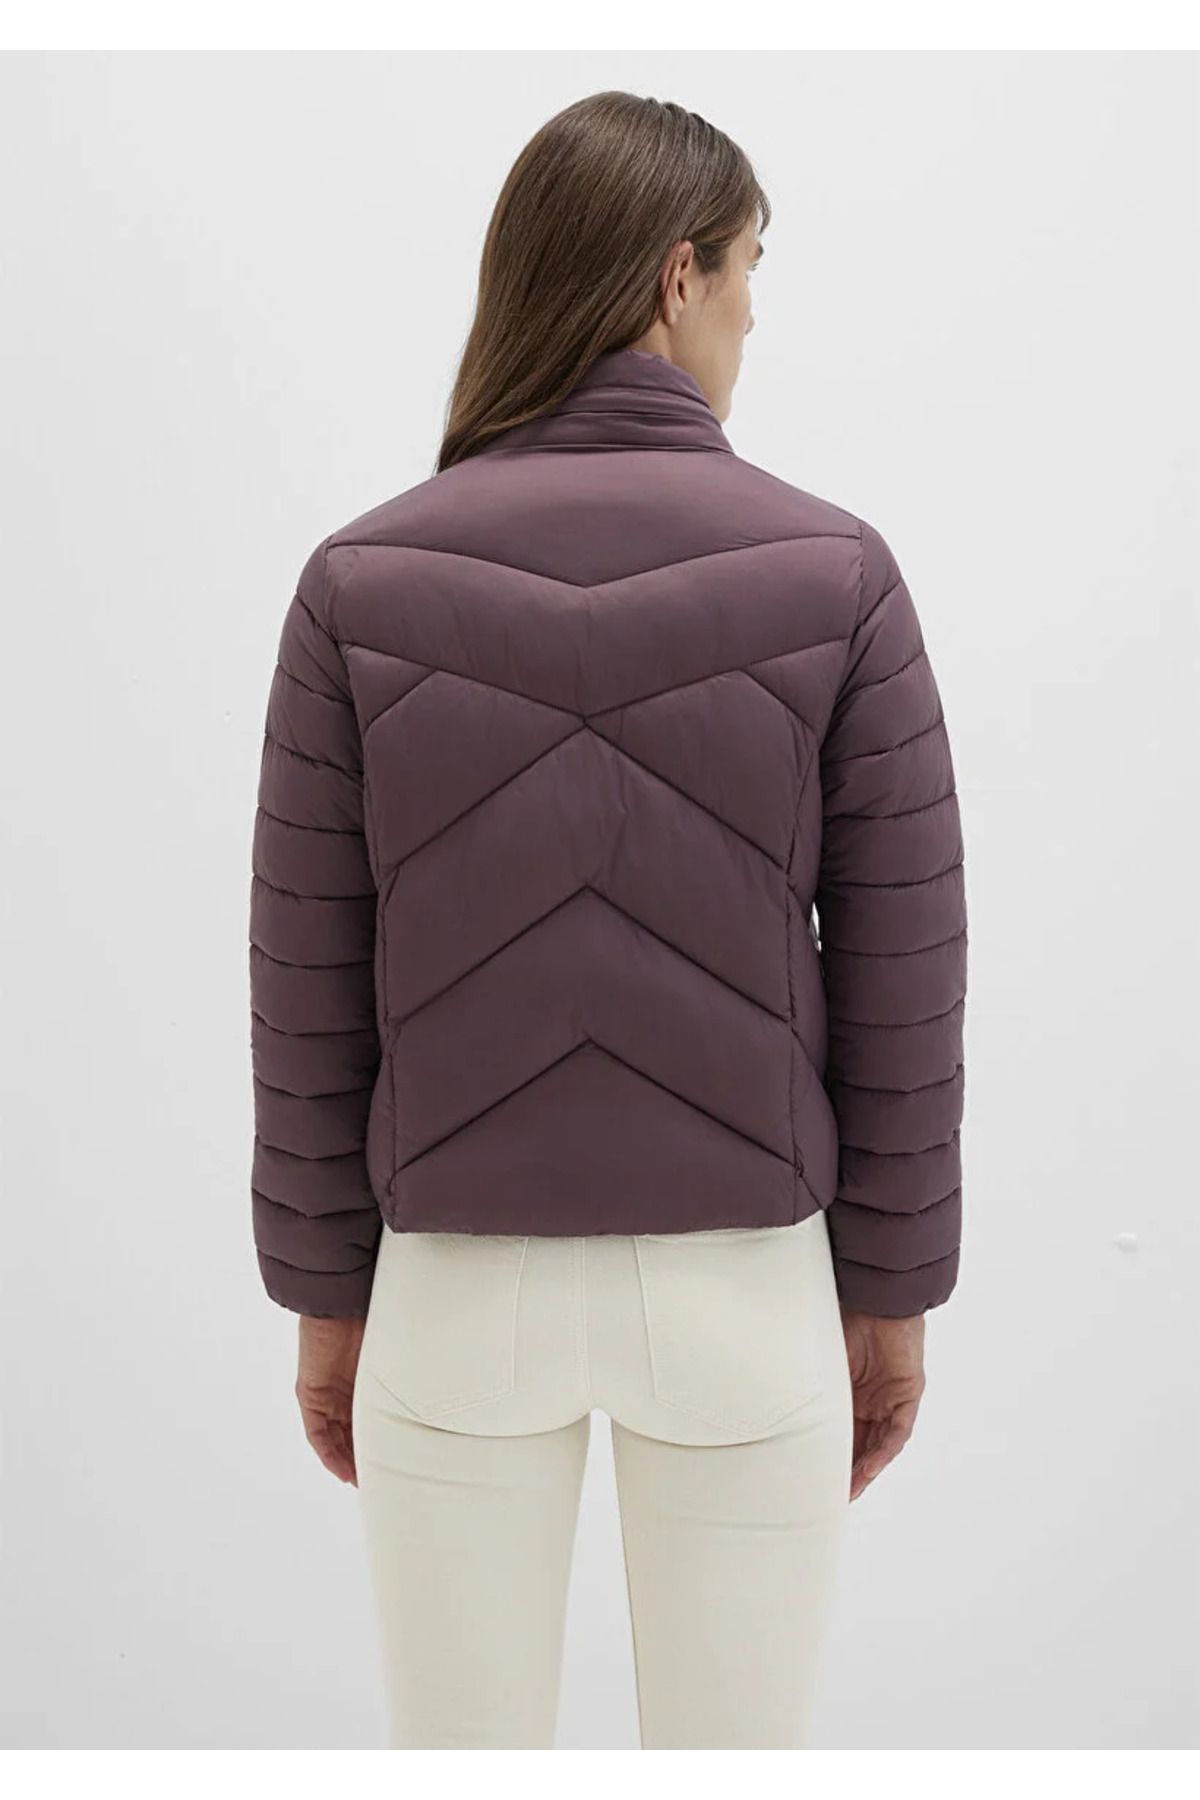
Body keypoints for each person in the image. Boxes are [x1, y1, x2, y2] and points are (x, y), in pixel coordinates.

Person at [248, 89, 968, 1751]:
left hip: (453, 1293)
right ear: (673, 275)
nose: (753, 316)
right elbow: (904, 977)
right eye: (749, 269)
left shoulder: (358, 582)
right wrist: (891, 1291)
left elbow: (307, 982)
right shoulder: (838, 574)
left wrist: (326, 1295)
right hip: (744, 1293)